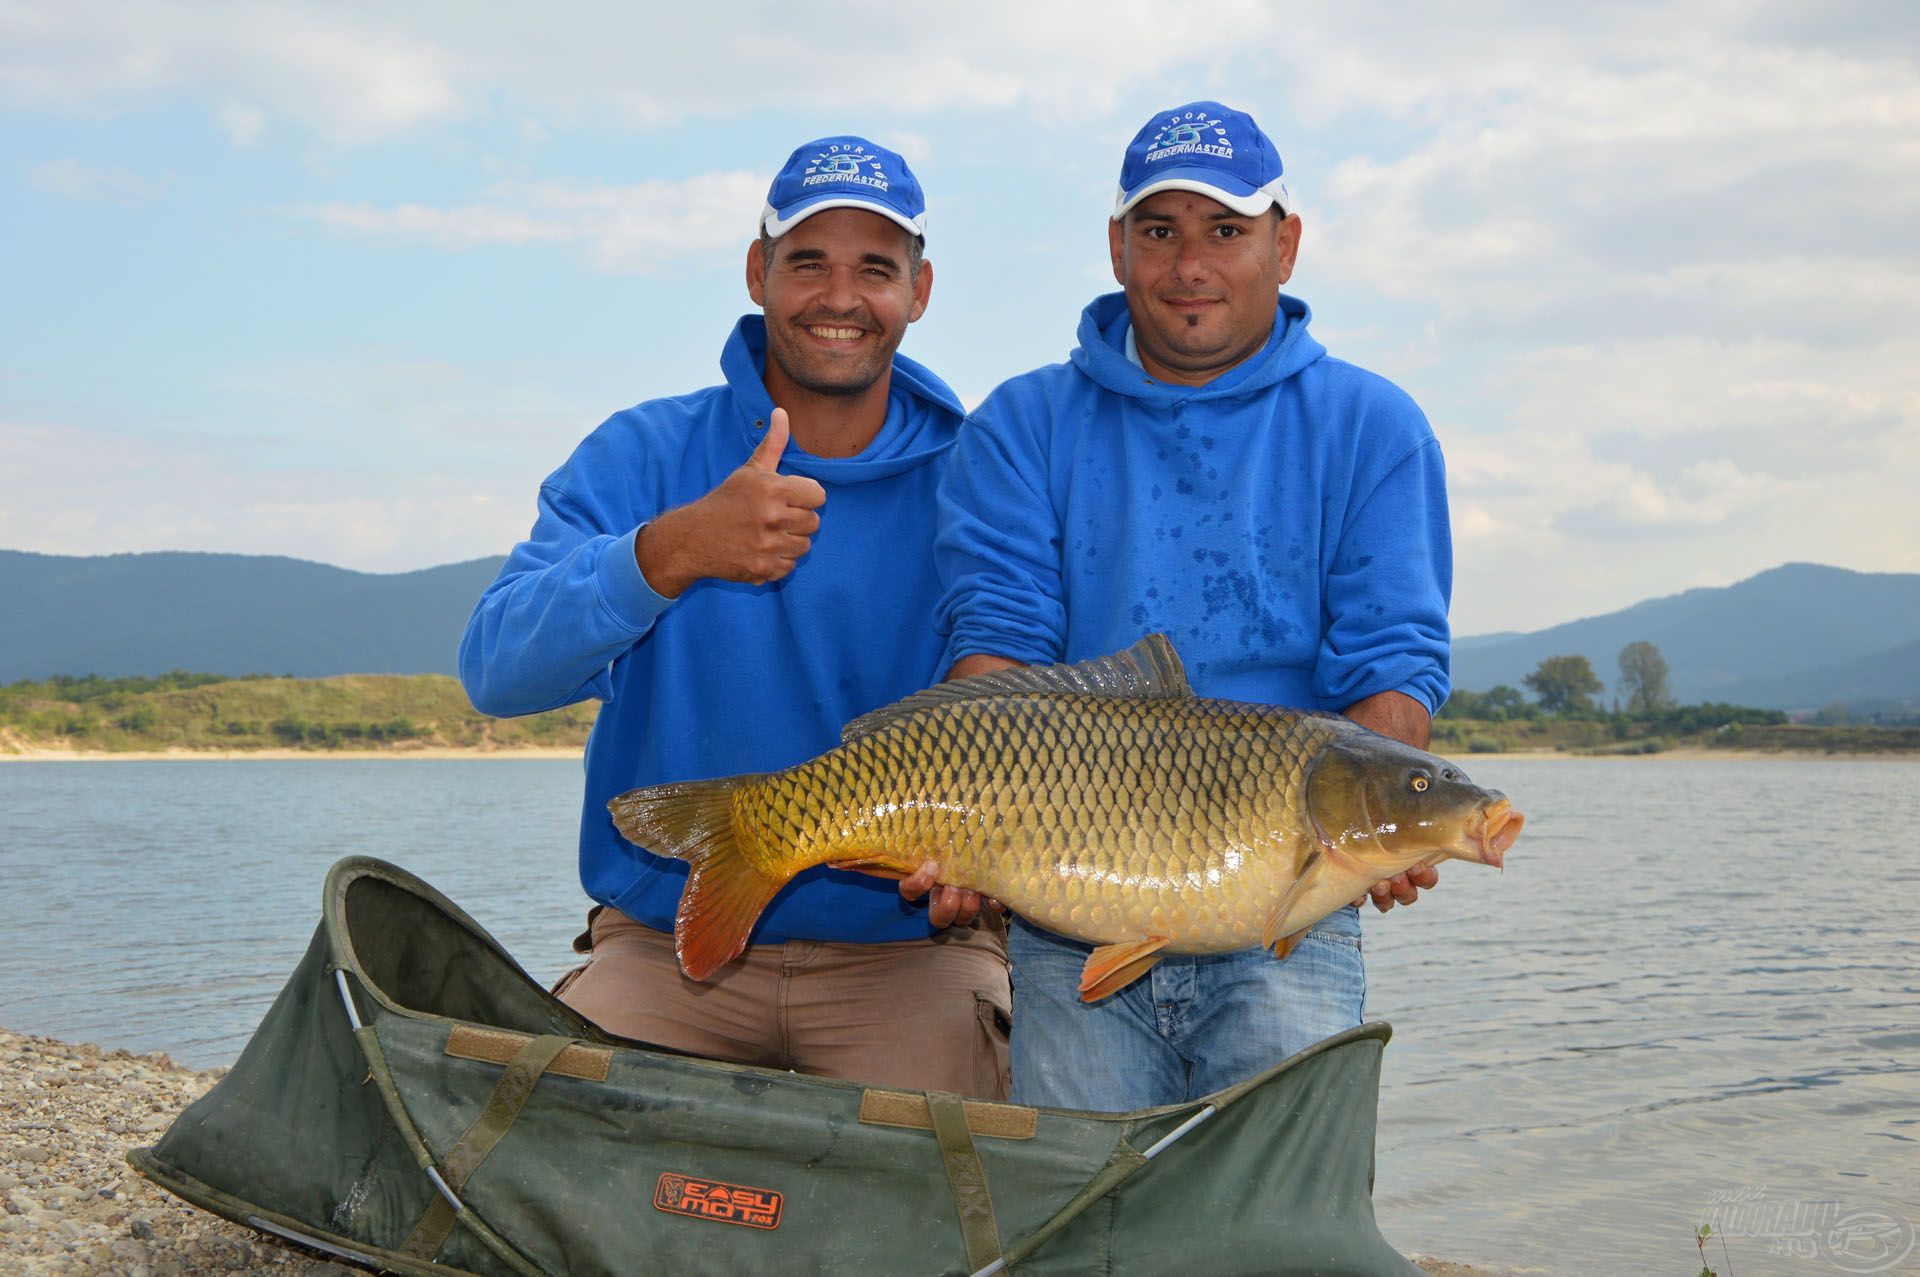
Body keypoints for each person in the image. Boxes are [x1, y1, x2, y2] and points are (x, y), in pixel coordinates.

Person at [459, 136, 1010, 1099]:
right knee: (558, 1155)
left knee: (959, 1211)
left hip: (915, 952)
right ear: (758, 274)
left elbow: (1033, 704)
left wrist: (993, 857)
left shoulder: (985, 479)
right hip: (670, 943)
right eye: (807, 263)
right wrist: (668, 553)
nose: (839, 297)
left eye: (874, 268)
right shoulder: (643, 452)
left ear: (919, 292)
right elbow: (497, 672)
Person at [934, 101, 1450, 1110]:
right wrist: (961, 823)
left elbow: (1393, 666)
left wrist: (1381, 814)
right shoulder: (1022, 424)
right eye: (1160, 231)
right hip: (1072, 890)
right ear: (1118, 246)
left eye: (1227, 230)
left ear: (1285, 244)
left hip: (1283, 903)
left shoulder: (1372, 426)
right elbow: (998, 643)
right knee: (1093, 1217)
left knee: (1269, 1214)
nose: (1190, 266)